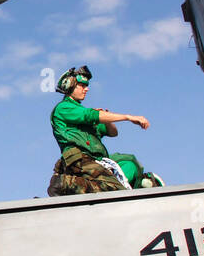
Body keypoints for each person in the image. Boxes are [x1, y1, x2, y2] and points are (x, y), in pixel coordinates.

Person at [47, 65, 161, 196]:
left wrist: (107, 118)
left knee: (129, 161)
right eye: (82, 85)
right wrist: (128, 117)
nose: (86, 89)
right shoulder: (65, 108)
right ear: (69, 86)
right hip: (80, 160)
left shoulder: (83, 116)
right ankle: (66, 183)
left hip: (94, 160)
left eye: (87, 85)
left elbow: (113, 132)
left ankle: (142, 183)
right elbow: (91, 115)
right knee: (116, 191)